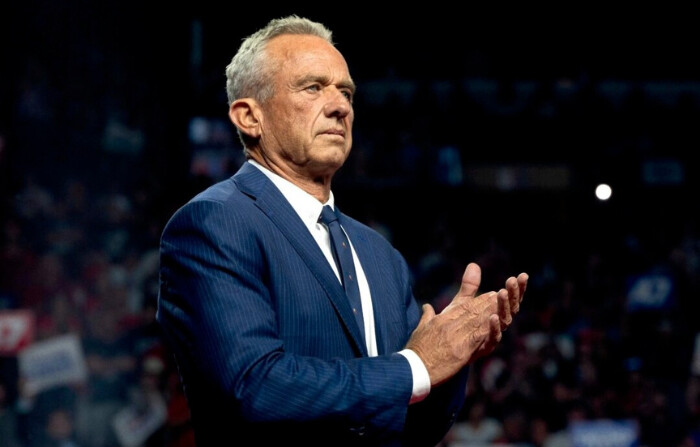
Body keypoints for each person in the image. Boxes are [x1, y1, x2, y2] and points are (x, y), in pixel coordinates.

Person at [156, 14, 528, 447]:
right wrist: (418, 366)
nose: (340, 106)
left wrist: (452, 359)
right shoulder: (214, 224)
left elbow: (413, 423)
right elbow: (254, 388)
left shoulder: (379, 254)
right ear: (249, 117)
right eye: (313, 87)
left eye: (346, 92)